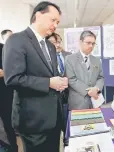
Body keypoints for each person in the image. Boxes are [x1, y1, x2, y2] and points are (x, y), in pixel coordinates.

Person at [2, 2, 68, 152]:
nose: (55, 26)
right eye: (53, 20)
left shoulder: (50, 46)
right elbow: (13, 79)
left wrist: (58, 81)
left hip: (54, 118)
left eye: (57, 22)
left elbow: (49, 74)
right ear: (38, 15)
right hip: (33, 121)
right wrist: (49, 83)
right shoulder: (16, 40)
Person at [65, 30, 104, 110]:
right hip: (78, 102)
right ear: (80, 42)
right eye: (88, 43)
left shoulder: (96, 60)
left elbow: (101, 77)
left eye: (93, 43)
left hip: (95, 102)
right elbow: (71, 79)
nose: (91, 46)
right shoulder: (70, 59)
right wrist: (89, 91)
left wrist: (96, 88)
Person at [0, 29, 18, 152]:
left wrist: (4, 73)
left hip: (4, 93)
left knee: (8, 125)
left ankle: (13, 148)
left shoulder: (4, 49)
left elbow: (15, 71)